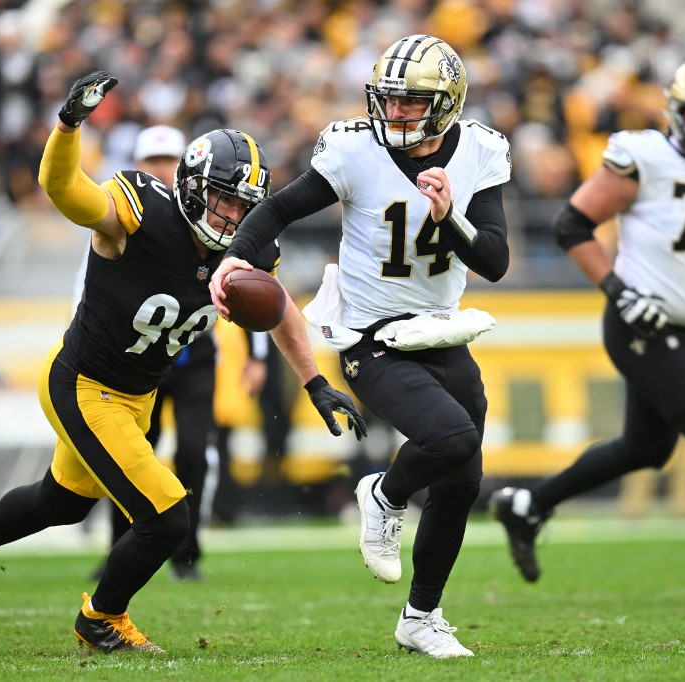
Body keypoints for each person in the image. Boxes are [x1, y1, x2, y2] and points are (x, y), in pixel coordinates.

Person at [0, 71, 366, 653]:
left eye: (243, 207)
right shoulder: (141, 210)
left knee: (62, 502)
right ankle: (101, 618)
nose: (231, 218)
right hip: (83, 382)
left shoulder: (248, 246)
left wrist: (316, 382)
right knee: (169, 514)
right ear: (195, 187)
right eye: (225, 200)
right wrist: (69, 125)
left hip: (136, 395)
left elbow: (281, 314)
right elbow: (62, 189)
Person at [211, 35, 512, 658]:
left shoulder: (480, 150)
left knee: (463, 477)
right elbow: (275, 211)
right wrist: (233, 260)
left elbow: (496, 260)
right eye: (390, 100)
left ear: (446, 103)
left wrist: (450, 217)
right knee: (451, 439)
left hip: (439, 331)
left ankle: (421, 617)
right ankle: (384, 493)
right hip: (371, 338)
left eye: (411, 104)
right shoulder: (354, 148)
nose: (395, 114)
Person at [490, 56, 685, 600]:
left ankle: (528, 506)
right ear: (675, 113)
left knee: (645, 448)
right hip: (640, 323)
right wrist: (619, 290)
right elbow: (572, 225)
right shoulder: (644, 156)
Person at [74, 124, 269, 581]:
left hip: (193, 355)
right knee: (134, 452)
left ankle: (187, 553)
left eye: (168, 161)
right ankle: (120, 549)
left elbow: (253, 287)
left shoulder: (218, 225)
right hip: (137, 360)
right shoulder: (132, 214)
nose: (160, 170)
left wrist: (258, 355)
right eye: (153, 163)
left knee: (195, 452)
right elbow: (90, 295)